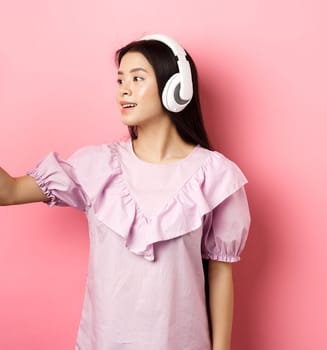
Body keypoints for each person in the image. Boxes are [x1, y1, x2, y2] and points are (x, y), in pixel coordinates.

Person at [0, 34, 251, 350]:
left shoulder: (215, 175)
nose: (124, 90)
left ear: (176, 89)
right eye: (120, 80)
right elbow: (7, 192)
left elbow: (219, 275)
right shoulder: (96, 166)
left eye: (137, 78)